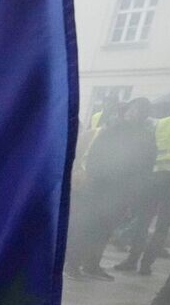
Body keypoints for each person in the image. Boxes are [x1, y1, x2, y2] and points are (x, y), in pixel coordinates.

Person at [64, 98, 156, 281]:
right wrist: (93, 180)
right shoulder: (112, 130)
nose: (133, 113)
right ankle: (72, 263)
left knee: (105, 229)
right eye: (131, 109)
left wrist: (135, 191)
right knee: (86, 226)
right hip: (98, 187)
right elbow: (95, 158)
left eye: (139, 110)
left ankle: (92, 264)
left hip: (121, 191)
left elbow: (146, 166)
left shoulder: (146, 137)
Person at [115, 93, 170, 278]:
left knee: (162, 226)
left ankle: (147, 263)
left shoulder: (163, 122)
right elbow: (149, 150)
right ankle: (132, 260)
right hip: (153, 179)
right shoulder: (163, 123)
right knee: (143, 222)